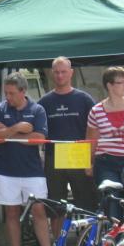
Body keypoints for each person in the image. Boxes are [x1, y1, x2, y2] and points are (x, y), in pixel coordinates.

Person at [0, 72, 52, 246]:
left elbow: (39, 138)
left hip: (32, 170)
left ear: (23, 91)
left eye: (12, 93)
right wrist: (17, 128)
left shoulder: (37, 109)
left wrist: (6, 133)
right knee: (11, 212)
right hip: (5, 170)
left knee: (39, 210)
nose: (8, 97)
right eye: (6, 93)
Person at [38, 57, 98, 236]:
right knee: (56, 205)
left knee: (86, 203)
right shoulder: (44, 102)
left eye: (63, 72)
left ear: (71, 73)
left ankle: (88, 243)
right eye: (56, 72)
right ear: (52, 74)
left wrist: (91, 159)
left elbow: (95, 129)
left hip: (79, 154)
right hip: (54, 155)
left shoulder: (85, 99)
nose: (60, 76)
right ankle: (58, 244)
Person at [85, 67, 124, 190]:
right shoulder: (96, 111)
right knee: (111, 198)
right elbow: (91, 141)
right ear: (109, 85)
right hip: (106, 162)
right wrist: (89, 164)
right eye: (121, 83)